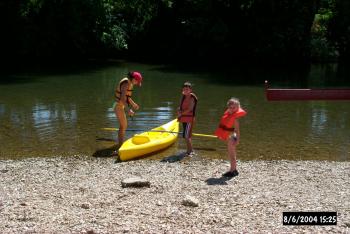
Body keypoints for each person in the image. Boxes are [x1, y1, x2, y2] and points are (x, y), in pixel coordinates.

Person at [214, 98, 246, 177]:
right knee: (231, 154)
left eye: (234, 108)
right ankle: (234, 170)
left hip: (232, 138)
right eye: (230, 107)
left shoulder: (235, 119)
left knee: (232, 155)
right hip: (229, 137)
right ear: (228, 107)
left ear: (238, 108)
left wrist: (237, 140)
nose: (231, 109)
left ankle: (232, 171)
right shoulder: (228, 115)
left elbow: (237, 131)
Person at [114, 71, 143, 148]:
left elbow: (127, 97)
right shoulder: (126, 83)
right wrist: (128, 110)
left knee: (123, 126)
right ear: (133, 79)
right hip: (117, 105)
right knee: (123, 126)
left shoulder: (130, 84)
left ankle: (120, 144)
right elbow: (123, 99)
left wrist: (133, 104)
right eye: (137, 81)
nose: (137, 83)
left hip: (120, 105)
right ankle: (120, 146)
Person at [177, 82, 198, 157]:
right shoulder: (183, 96)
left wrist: (181, 113)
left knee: (186, 136)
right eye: (184, 89)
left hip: (189, 119)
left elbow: (190, 109)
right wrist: (179, 110)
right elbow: (180, 106)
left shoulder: (192, 97)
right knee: (186, 135)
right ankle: (189, 150)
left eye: (187, 89)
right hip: (184, 118)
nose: (185, 90)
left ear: (190, 90)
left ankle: (190, 151)